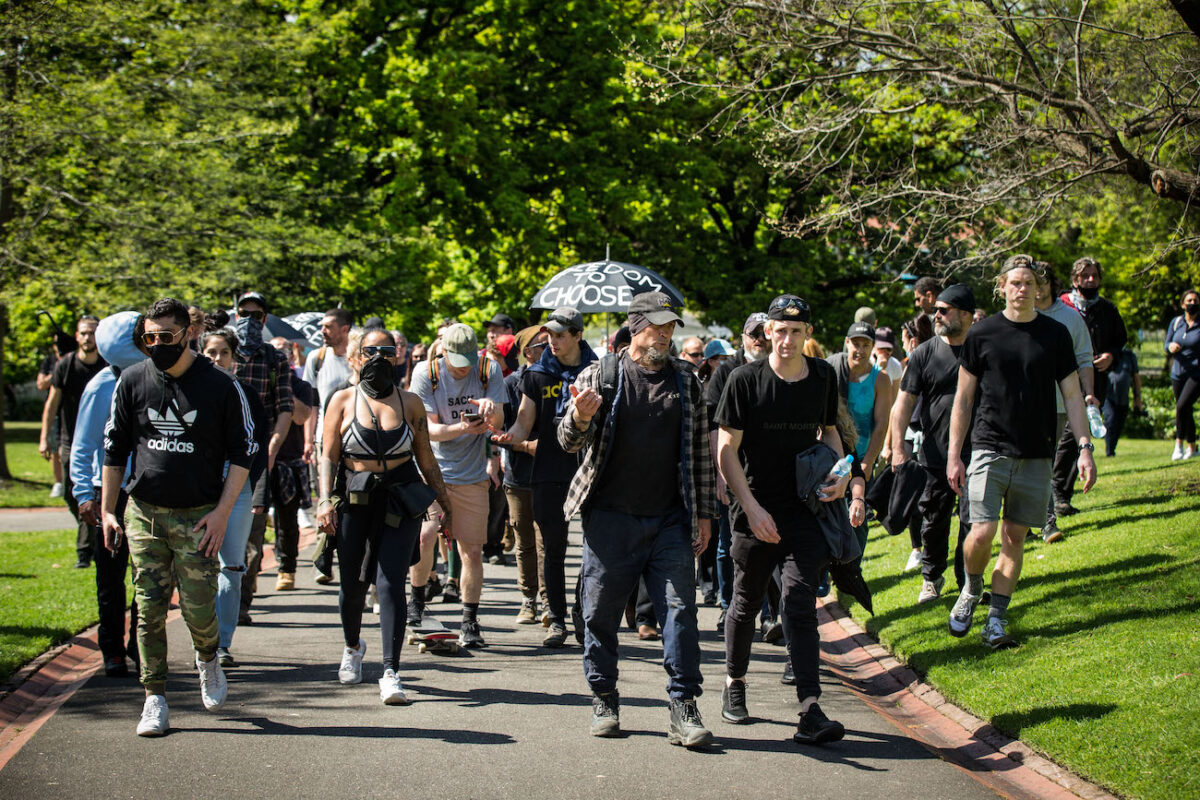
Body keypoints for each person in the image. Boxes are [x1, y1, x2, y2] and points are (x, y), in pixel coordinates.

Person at [557, 291, 715, 747]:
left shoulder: (687, 380)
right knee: (599, 613)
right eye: (657, 328)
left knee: (681, 613)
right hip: (609, 519)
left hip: (670, 519)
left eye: (670, 329)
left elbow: (701, 453)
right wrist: (580, 418)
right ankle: (603, 695)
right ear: (635, 327)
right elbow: (566, 441)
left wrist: (705, 513)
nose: (665, 336)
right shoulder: (603, 374)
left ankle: (684, 706)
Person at [101, 298, 257, 736]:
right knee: (148, 607)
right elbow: (114, 451)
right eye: (148, 338)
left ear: (188, 332)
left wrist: (223, 513)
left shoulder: (221, 386)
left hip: (198, 515)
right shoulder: (132, 381)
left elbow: (244, 452)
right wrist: (110, 512)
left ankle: (208, 658)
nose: (156, 345)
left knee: (197, 607)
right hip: (145, 513)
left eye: (164, 337)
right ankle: (154, 697)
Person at [715, 294, 849, 744]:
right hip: (753, 508)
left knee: (798, 601)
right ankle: (734, 683)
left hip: (803, 510)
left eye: (796, 331)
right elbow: (725, 449)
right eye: (780, 330)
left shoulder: (823, 378)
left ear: (807, 333)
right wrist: (750, 509)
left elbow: (830, 431)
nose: (787, 339)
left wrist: (842, 475)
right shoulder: (742, 380)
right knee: (747, 601)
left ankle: (810, 709)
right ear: (767, 332)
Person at [946, 258, 1096, 649]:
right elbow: (962, 400)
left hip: (1037, 452)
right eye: (1015, 282)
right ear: (1002, 287)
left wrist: (1085, 447)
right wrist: (954, 455)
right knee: (981, 531)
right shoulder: (982, 334)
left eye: (1029, 282)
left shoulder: (1055, 334)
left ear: (1039, 287)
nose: (1023, 289)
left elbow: (1073, 397)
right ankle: (971, 588)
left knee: (1015, 535)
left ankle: (996, 619)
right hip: (988, 447)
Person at [316, 329, 449, 703]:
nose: (378, 357)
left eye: (386, 351)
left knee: (391, 582)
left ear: (397, 357)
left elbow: (425, 458)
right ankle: (352, 646)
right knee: (352, 586)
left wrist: (444, 504)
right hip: (355, 500)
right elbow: (327, 456)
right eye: (370, 350)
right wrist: (325, 500)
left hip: (399, 499)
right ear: (356, 356)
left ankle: (391, 670)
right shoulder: (342, 400)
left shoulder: (410, 404)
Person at [496, 307, 599, 647]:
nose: (552, 341)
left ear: (577, 335)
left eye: (559, 335)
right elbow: (525, 420)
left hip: (590, 469)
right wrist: (509, 436)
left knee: (594, 549)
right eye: (549, 335)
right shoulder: (537, 374)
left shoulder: (599, 371)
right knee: (552, 550)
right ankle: (555, 618)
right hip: (549, 472)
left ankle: (584, 613)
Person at [410, 323, 506, 647]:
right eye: (456, 360)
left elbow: (501, 421)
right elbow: (429, 431)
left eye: (467, 359)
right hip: (432, 470)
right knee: (425, 536)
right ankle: (417, 602)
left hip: (472, 475)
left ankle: (469, 620)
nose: (462, 366)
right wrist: (463, 428)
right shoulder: (426, 373)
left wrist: (491, 414)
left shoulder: (487, 369)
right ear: (442, 351)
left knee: (472, 551)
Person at [890, 285, 976, 604]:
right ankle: (931, 577)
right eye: (935, 309)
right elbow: (903, 403)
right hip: (936, 454)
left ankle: (966, 579)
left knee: (972, 519)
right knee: (935, 519)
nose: (935, 315)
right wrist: (898, 447)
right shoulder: (925, 352)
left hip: (978, 451)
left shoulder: (982, 349)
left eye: (943, 310)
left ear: (965, 315)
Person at [70, 312, 144, 677]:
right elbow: (83, 446)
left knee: (147, 574)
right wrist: (85, 494)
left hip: (148, 490)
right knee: (111, 577)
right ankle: (112, 648)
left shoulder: (153, 379)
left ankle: (140, 643)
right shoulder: (102, 385)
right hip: (110, 493)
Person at [201, 330, 271, 666]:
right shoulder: (191, 393)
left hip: (239, 489)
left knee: (232, 565)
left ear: (234, 358)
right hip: (198, 490)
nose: (217, 359)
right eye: (211, 352)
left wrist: (248, 486)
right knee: (198, 566)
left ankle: (222, 643)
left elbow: (258, 446)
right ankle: (202, 636)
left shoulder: (247, 395)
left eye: (223, 353)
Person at [231, 292, 294, 625]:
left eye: (256, 316)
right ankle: (219, 600)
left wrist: (271, 449)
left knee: (253, 536)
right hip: (222, 457)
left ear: (265, 319)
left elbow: (285, 408)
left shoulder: (274, 359)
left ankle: (242, 600)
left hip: (258, 458)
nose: (249, 321)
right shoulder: (222, 353)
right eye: (244, 314)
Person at [705, 313, 771, 634]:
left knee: (770, 543)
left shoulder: (780, 369)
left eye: (764, 332)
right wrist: (721, 474)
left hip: (769, 475)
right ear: (741, 337)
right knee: (729, 544)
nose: (759, 338)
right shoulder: (726, 372)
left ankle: (769, 614)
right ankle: (728, 606)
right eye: (752, 333)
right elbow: (714, 428)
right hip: (732, 471)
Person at [1057, 256, 1125, 515]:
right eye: (1085, 276)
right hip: (1063, 379)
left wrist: (1111, 356)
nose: (1090, 280)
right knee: (1067, 436)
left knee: (1079, 436)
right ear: (1075, 279)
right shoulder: (1063, 308)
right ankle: (1055, 492)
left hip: (1096, 382)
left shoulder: (1107, 309)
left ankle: (1061, 493)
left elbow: (1120, 341)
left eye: (1095, 275)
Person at [1035, 263, 1097, 543]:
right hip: (1020, 404)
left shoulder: (1070, 318)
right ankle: (1026, 522)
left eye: (1040, 283)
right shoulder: (1019, 317)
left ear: (1052, 285)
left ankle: (1047, 523)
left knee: (1043, 462)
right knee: (1025, 463)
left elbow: (1084, 359)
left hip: (1058, 404)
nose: (1034, 289)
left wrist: (1088, 394)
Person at [41, 315, 107, 568]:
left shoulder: (106, 365)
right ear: (76, 336)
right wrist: (44, 437)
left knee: (89, 493)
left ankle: (84, 551)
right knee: (73, 493)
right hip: (71, 439)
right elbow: (52, 403)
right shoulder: (65, 365)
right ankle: (88, 531)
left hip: (100, 440)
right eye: (83, 333)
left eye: (92, 333)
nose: (87, 337)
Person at [498, 326, 549, 625]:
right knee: (524, 540)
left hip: (550, 475)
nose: (548, 347)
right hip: (518, 474)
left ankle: (547, 602)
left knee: (547, 542)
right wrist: (528, 446)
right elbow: (504, 430)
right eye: (542, 344)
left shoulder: (556, 379)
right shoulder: (510, 384)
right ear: (527, 351)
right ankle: (527, 599)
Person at [304, 308, 354, 583]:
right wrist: (309, 439)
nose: (322, 331)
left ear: (345, 329)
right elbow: (312, 403)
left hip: (355, 439)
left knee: (346, 497)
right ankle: (323, 557)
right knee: (324, 496)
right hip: (325, 438)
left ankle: (346, 553)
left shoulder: (356, 357)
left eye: (328, 326)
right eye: (321, 326)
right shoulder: (317, 358)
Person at [268, 337, 314, 590]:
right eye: (275, 352)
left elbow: (301, 416)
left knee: (287, 521)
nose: (280, 357)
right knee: (255, 521)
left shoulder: (301, 385)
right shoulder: (260, 381)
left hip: (289, 462)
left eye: (284, 352)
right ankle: (249, 573)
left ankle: (287, 569)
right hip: (261, 461)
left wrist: (284, 387)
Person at [828, 321, 891, 480]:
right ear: (847, 343)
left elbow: (881, 424)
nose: (860, 350)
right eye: (856, 344)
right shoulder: (832, 370)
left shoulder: (880, 379)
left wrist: (868, 462)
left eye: (866, 345)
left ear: (873, 347)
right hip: (832, 455)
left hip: (862, 456)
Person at [1166, 290, 1200, 461]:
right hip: (1178, 373)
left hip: (1196, 374)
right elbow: (1166, 345)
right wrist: (1170, 347)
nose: (1192, 303)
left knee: (1181, 406)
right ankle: (1193, 447)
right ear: (1182, 304)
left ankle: (1178, 444)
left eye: (1195, 300)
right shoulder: (1176, 322)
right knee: (1184, 409)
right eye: (1189, 300)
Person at [1103, 346, 1143, 457]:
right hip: (1108, 396)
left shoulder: (1129, 356)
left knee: (1119, 424)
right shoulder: (1105, 353)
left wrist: (1137, 398)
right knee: (1111, 419)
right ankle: (1109, 451)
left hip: (1123, 397)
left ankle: (1112, 448)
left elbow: (1136, 377)